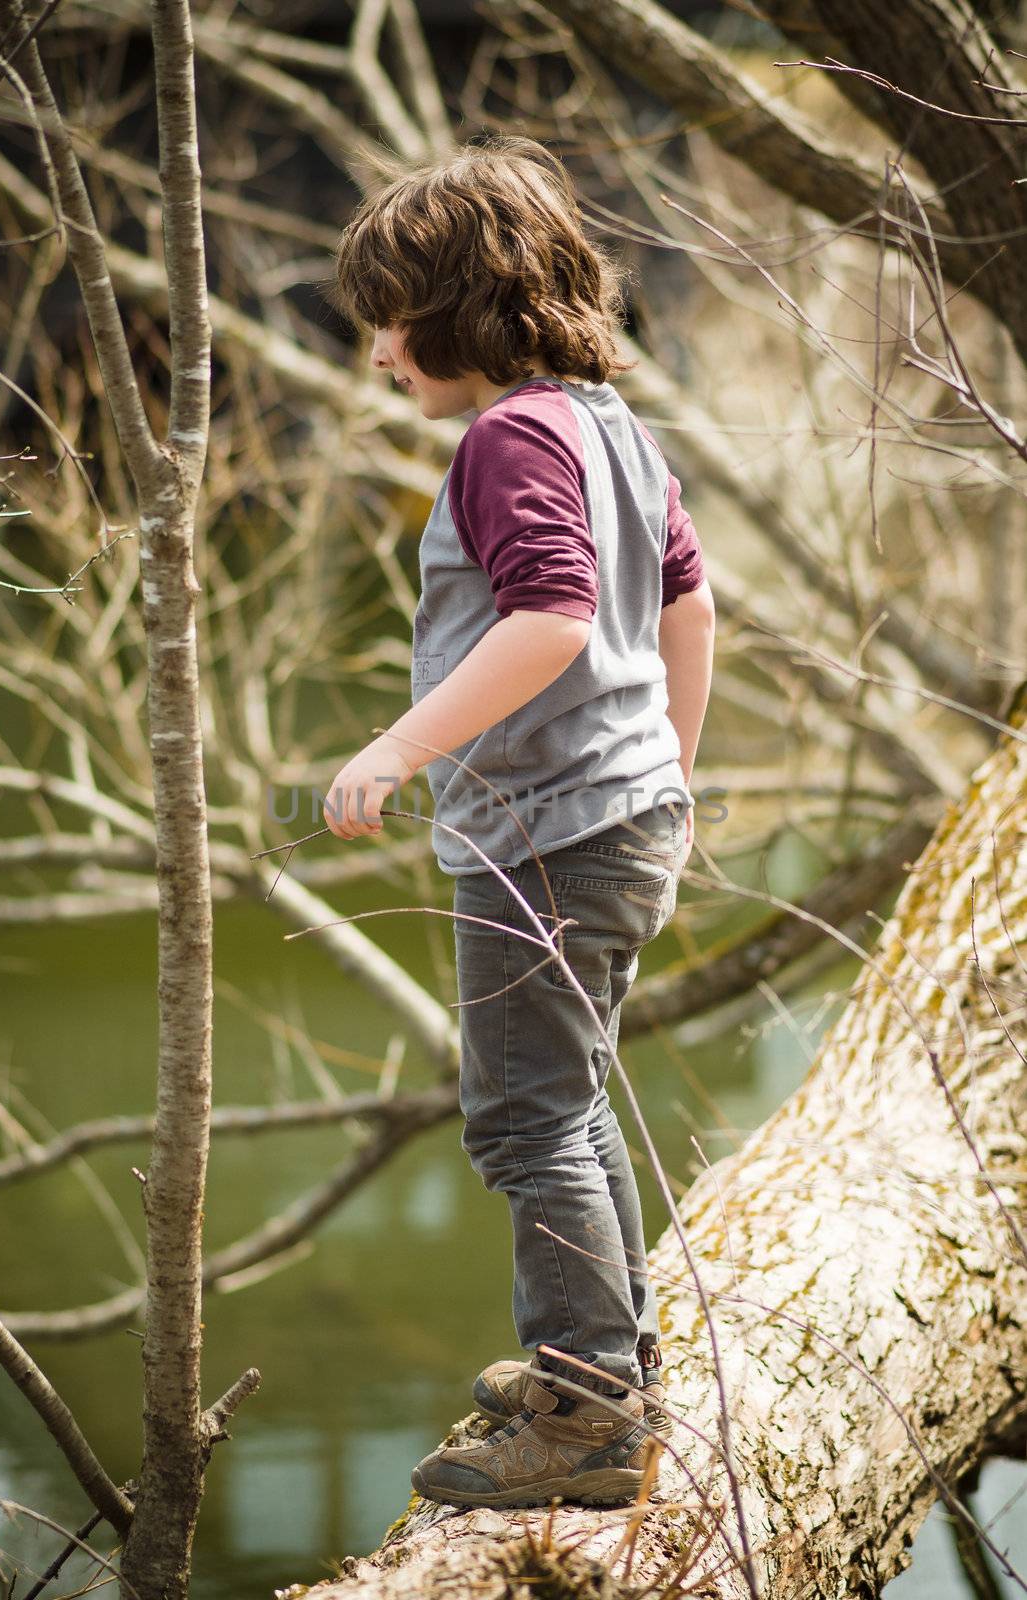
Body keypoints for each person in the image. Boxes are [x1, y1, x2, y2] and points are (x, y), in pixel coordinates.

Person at [326, 132, 716, 1509]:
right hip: (624, 820)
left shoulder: (506, 438)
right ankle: (610, 1369)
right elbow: (688, 604)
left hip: (544, 837)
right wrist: (669, 768)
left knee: (521, 1116)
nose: (377, 355)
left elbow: (552, 616)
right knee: (568, 1094)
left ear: (455, 312)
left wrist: (396, 745)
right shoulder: (613, 423)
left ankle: (586, 1418)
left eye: (388, 321)